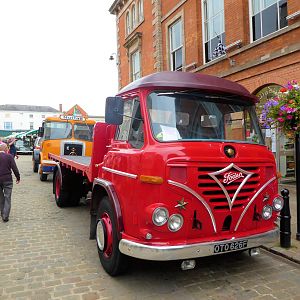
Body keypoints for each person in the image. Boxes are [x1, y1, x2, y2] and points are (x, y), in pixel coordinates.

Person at [0, 142, 20, 222]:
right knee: (7, 197)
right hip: (7, 180)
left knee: (1, 198)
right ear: (6, 149)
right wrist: (18, 177)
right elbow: (14, 168)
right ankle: (5, 216)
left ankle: (2, 213)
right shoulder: (9, 156)